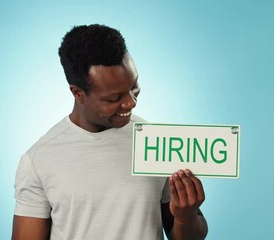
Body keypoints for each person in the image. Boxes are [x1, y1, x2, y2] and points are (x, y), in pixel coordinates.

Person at [12, 24, 208, 240]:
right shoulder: (39, 159)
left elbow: (188, 236)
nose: (130, 103)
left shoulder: (157, 144)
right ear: (78, 93)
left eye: (133, 87)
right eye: (114, 98)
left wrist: (186, 217)